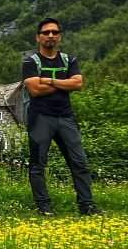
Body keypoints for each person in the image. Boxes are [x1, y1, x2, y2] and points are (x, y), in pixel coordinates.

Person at [21, 18, 101, 216]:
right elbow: (34, 90)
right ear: (38, 37)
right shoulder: (30, 62)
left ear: (60, 36)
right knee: (38, 164)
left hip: (65, 117)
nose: (50, 35)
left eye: (54, 32)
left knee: (79, 162)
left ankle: (87, 205)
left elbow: (78, 84)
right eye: (46, 32)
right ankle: (44, 206)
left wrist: (48, 80)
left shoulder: (69, 60)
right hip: (40, 118)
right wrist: (63, 82)